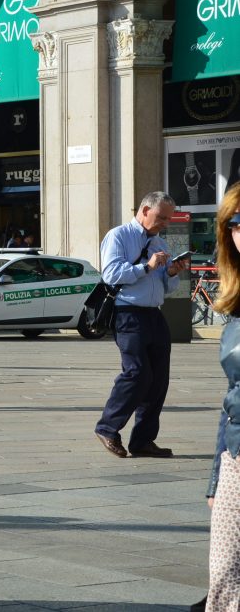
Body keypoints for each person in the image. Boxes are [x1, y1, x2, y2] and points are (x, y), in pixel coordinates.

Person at [94, 191, 190, 459]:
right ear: (145, 210)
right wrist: (146, 267)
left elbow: (166, 286)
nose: (165, 223)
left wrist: (171, 273)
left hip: (154, 315)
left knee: (158, 379)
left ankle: (143, 440)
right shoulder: (119, 236)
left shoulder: (160, 242)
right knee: (137, 373)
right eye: (161, 217)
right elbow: (111, 274)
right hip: (128, 313)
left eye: (168, 219)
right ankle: (107, 428)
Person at [205, 185, 240, 609]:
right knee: (225, 576)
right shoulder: (235, 302)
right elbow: (232, 395)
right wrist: (216, 475)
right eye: (235, 223)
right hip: (236, 455)